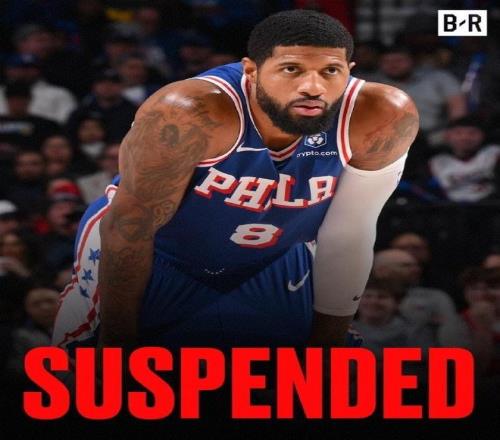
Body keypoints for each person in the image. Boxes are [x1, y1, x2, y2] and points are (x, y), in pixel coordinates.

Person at [53, 10, 418, 353]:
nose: (313, 86)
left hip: (273, 258)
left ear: (349, 70)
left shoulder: (381, 115)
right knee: (87, 374)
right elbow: (131, 227)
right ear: (252, 71)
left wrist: (327, 345)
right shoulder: (190, 111)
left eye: (330, 71)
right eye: (291, 69)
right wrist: (116, 346)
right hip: (156, 253)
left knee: (312, 379)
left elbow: (348, 233)